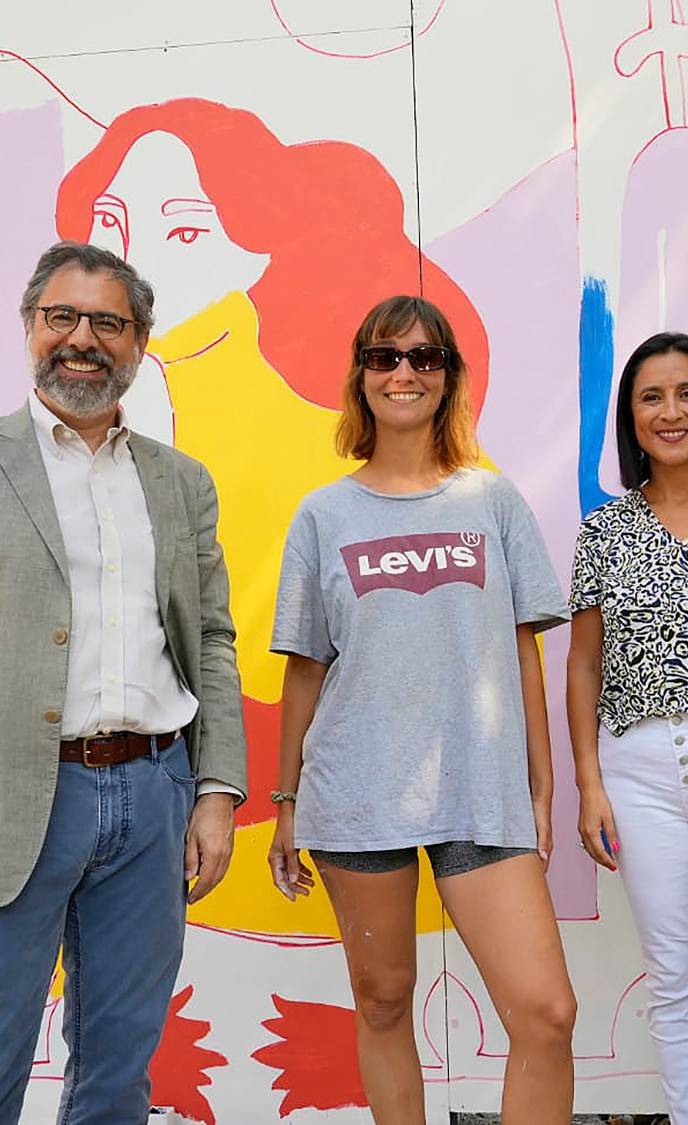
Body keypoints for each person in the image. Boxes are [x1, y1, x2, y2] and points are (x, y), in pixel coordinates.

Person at [267, 295, 576, 1124]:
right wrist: (287, 801)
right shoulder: (322, 515)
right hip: (356, 793)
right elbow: (304, 671)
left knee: (546, 1015)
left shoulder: (492, 502)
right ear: (360, 375)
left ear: (448, 379)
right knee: (384, 1001)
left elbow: (524, 651)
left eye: (424, 357)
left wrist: (540, 789)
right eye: (384, 356)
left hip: (479, 790)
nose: (403, 372)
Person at [0, 241, 246, 1124]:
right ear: (31, 327)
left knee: (119, 1068)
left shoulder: (180, 483)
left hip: (154, 797)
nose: (83, 339)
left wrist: (215, 792)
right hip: (18, 797)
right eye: (62, 316)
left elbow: (212, 639)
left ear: (139, 341)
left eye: (108, 321)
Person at [567, 331, 688, 1124]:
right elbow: (582, 666)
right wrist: (589, 783)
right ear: (631, 418)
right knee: (672, 979)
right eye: (651, 397)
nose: (670, 411)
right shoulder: (606, 531)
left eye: (686, 393)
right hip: (635, 772)